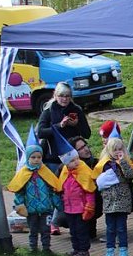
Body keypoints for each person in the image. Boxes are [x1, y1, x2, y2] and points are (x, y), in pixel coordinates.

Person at [35, 82, 91, 235]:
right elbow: (40, 132)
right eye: (61, 96)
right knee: (56, 191)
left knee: (72, 191)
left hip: (72, 158)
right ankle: (54, 222)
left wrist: (75, 125)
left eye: (67, 96)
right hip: (53, 157)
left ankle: (70, 221)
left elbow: (87, 134)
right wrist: (59, 126)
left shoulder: (76, 110)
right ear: (55, 96)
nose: (64, 99)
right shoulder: (48, 110)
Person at [7, 142, 62, 254]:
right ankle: (33, 249)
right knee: (33, 230)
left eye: (39, 157)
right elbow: (19, 191)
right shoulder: (23, 173)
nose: (36, 160)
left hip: (46, 208)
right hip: (31, 209)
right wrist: (20, 204)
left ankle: (46, 249)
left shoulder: (45, 171)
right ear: (28, 158)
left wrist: (57, 203)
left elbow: (53, 189)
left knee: (46, 229)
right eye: (33, 157)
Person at [94, 137, 133, 256]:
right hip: (109, 200)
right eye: (115, 150)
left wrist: (123, 161)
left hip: (123, 200)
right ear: (108, 151)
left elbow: (130, 175)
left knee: (122, 228)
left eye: (120, 149)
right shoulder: (104, 164)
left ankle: (123, 250)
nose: (118, 152)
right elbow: (97, 180)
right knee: (110, 228)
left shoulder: (125, 162)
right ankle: (110, 250)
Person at [56, 134, 96, 256]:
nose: (76, 162)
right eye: (72, 161)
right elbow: (61, 189)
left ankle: (84, 250)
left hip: (80, 208)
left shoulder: (83, 170)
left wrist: (89, 206)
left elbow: (89, 189)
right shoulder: (65, 173)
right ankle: (76, 249)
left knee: (81, 230)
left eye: (77, 159)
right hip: (69, 209)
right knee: (73, 231)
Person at [69, 136, 100, 240]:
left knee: (90, 235)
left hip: (94, 203)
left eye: (85, 145)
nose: (85, 149)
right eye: (81, 148)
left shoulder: (96, 163)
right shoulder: (68, 168)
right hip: (75, 206)